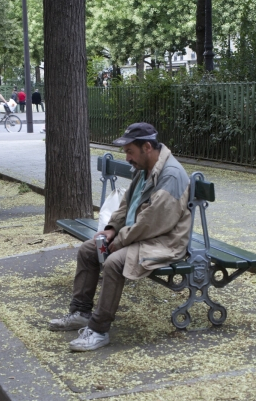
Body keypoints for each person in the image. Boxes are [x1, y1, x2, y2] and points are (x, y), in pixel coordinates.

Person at [48, 122, 191, 352]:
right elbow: (127, 204)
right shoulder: (146, 169)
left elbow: (152, 221)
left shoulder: (171, 176)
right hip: (140, 235)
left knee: (114, 262)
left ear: (146, 147)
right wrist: (113, 228)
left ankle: (98, 330)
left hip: (165, 241)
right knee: (88, 249)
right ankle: (81, 313)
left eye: (129, 151)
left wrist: (121, 240)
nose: (127, 158)